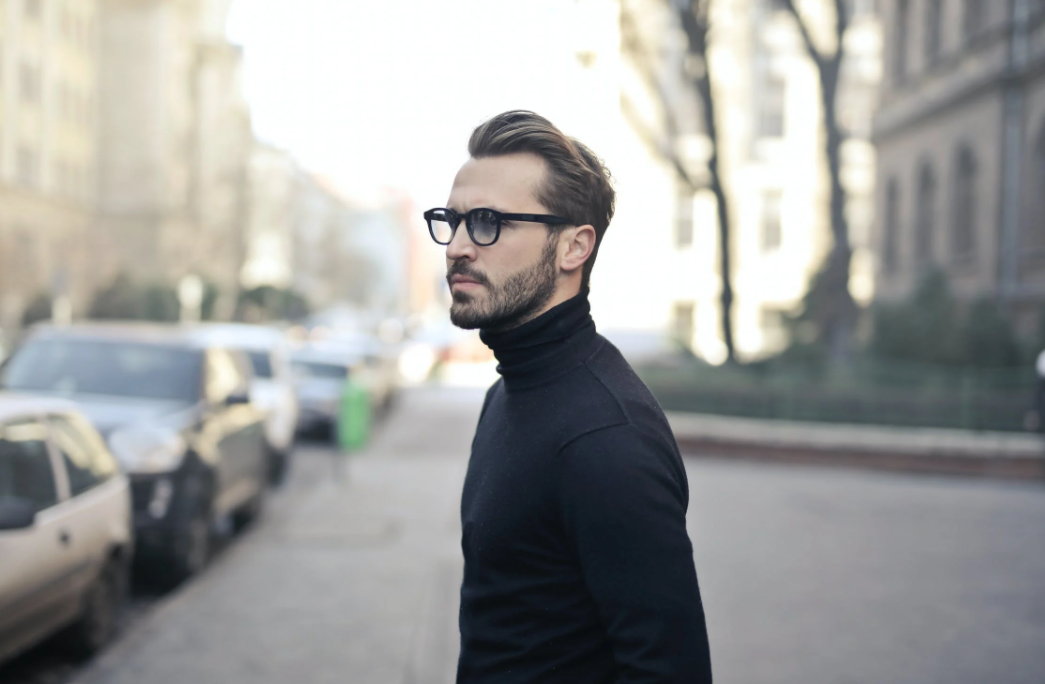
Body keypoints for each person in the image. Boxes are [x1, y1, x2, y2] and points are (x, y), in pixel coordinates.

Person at [426, 110, 712, 683]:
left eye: (487, 222)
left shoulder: (606, 437)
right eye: (451, 221)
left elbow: (670, 670)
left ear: (573, 247)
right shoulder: (506, 393)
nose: (457, 246)